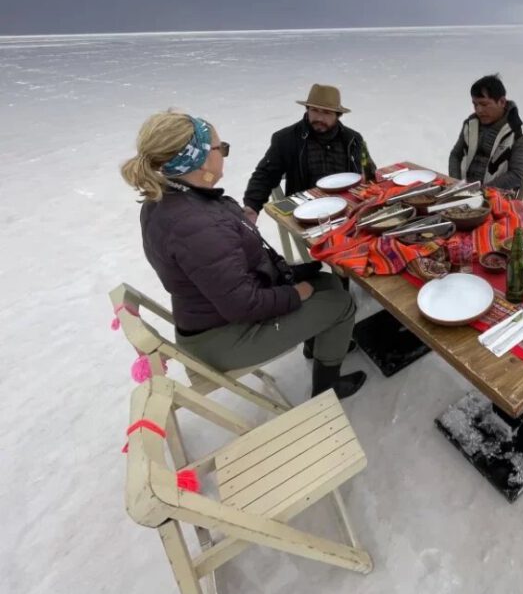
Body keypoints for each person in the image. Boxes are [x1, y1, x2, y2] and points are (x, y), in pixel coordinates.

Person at [121, 111, 367, 398]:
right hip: (225, 337)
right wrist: (294, 293)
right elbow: (243, 304)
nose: (224, 153)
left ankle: (320, 341)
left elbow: (231, 268)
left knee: (326, 281)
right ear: (199, 158)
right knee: (340, 302)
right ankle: (328, 388)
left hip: (209, 315)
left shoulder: (171, 199)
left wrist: (290, 272)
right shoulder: (197, 225)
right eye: (219, 147)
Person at [242, 84, 376, 224]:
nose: (319, 118)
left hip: (349, 210)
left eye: (326, 112)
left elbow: (369, 173)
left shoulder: (353, 139)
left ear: (338, 115)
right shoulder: (287, 139)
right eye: (315, 110)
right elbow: (265, 174)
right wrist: (252, 206)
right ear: (307, 110)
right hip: (306, 214)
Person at [447, 74, 523, 194]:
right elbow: (455, 155)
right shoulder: (471, 124)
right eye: (475, 104)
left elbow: (517, 175)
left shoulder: (520, 134)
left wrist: (481, 192)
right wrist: (456, 184)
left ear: (502, 102)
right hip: (462, 191)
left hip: (496, 199)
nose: (478, 110)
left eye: (484, 104)